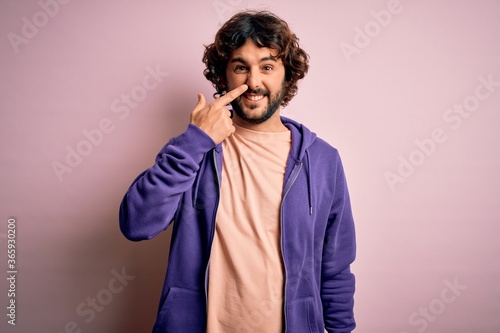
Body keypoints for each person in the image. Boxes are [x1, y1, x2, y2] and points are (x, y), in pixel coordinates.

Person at [119, 10, 356, 333]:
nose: (254, 82)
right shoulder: (195, 149)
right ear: (223, 75)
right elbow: (136, 223)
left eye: (267, 67)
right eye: (241, 67)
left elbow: (336, 266)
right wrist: (195, 141)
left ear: (287, 76)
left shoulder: (323, 160)